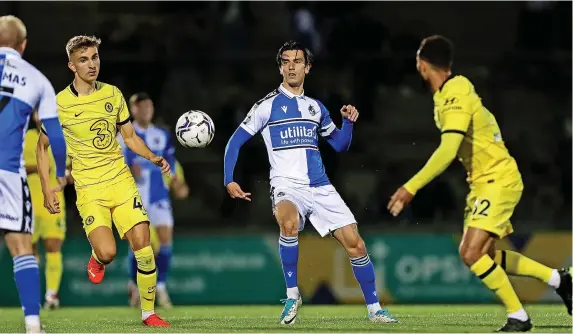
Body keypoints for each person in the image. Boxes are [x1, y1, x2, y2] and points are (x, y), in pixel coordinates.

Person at [387, 35, 572, 332]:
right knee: (483, 255)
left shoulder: (455, 92)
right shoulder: (446, 96)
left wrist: (411, 186)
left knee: (470, 253)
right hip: (484, 182)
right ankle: (559, 280)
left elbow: (448, 150)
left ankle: (519, 317)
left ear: (422, 66)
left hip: (497, 178)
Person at [223, 40, 398, 325]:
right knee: (288, 223)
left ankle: (375, 309)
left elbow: (339, 145)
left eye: (298, 61)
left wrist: (349, 123)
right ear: (280, 68)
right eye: (286, 61)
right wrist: (229, 179)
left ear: (308, 67)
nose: (292, 66)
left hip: (320, 186)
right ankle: (292, 295)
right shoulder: (266, 106)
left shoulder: (316, 108)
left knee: (356, 245)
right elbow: (235, 142)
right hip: (286, 185)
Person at [36, 35, 170, 327]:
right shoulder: (59, 104)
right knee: (108, 253)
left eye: (95, 57)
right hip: (90, 189)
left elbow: (130, 137)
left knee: (143, 246)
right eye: (83, 59)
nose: (91, 64)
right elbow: (41, 146)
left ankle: (148, 313)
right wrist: (47, 187)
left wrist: (153, 157)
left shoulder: (113, 94)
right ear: (71, 65)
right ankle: (97, 257)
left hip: (121, 181)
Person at [0, 15, 67, 334]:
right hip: (8, 174)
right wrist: (62, 175)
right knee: (21, 246)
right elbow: (55, 135)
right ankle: (32, 325)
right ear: (23, 45)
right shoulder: (37, 79)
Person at [122, 92, 189, 308]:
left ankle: (160, 287)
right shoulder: (123, 136)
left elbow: (170, 163)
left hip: (159, 196)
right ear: (133, 110)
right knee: (143, 245)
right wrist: (126, 169)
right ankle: (135, 285)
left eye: (149, 106)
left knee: (165, 239)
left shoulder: (162, 135)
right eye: (142, 107)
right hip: (134, 198)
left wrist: (177, 182)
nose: (147, 111)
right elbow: (112, 165)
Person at [24, 110, 69, 310]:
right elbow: (13, 166)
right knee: (29, 250)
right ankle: (32, 296)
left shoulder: (61, 139)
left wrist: (67, 175)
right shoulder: (25, 137)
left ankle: (51, 295)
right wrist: (38, 168)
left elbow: (70, 168)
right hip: (29, 201)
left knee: (53, 245)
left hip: (55, 201)